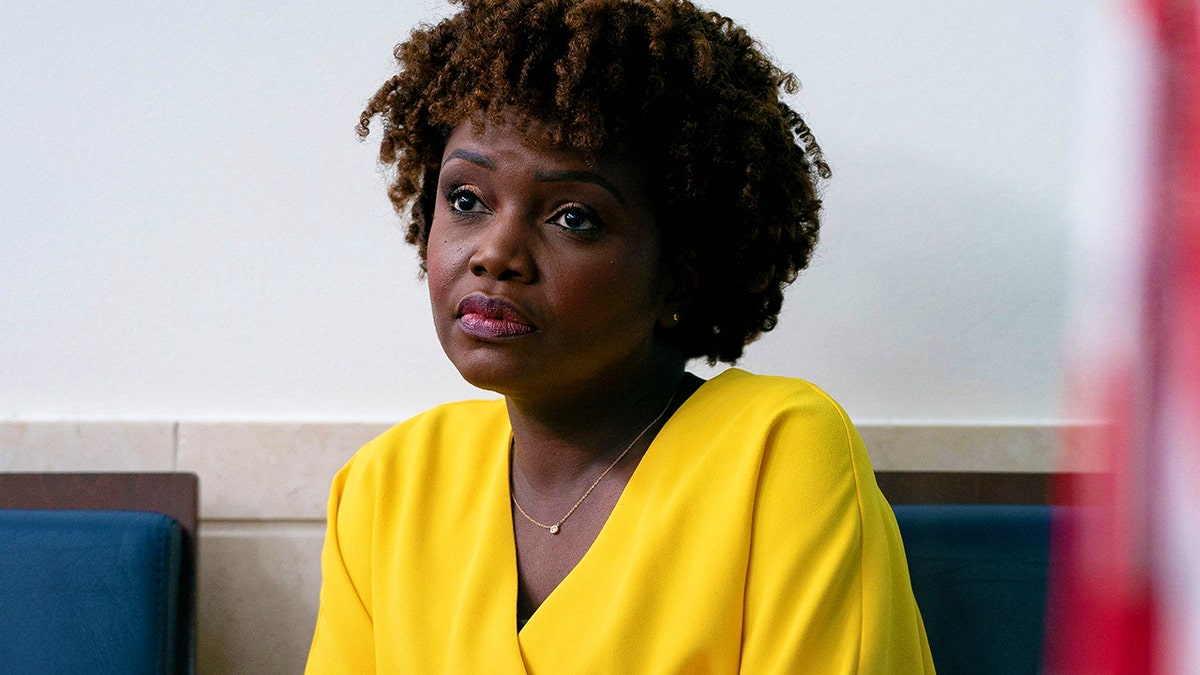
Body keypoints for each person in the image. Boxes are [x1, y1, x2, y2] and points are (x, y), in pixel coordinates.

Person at [306, 0, 935, 671]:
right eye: (466, 198)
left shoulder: (777, 453)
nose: (496, 253)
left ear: (679, 274)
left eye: (574, 217)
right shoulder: (387, 486)